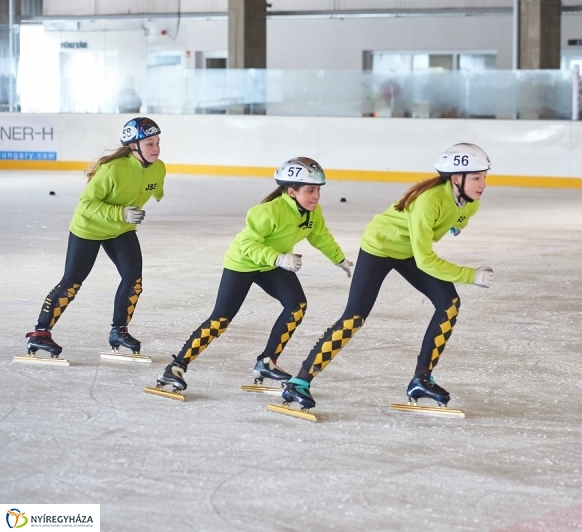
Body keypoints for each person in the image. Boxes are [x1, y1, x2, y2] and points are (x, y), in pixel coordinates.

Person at [278, 143, 495, 412]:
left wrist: (452, 226)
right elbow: (426, 260)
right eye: (476, 177)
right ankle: (299, 382)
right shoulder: (428, 201)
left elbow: (457, 220)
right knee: (354, 317)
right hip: (379, 247)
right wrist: (470, 275)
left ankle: (421, 379)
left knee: (449, 303)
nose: (483, 184)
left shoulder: (470, 202)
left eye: (484, 176)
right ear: (456, 178)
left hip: (408, 251)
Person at [151, 157, 353, 396]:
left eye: (318, 190)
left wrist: (340, 259)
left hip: (271, 263)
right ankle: (175, 367)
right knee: (220, 320)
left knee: (296, 306)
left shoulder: (311, 212)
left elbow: (320, 236)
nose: (316, 196)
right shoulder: (268, 212)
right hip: (243, 263)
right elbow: (247, 244)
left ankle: (267, 362)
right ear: (291, 191)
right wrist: (279, 259)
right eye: (310, 190)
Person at [23, 118, 165, 360]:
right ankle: (40, 333)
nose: (156, 148)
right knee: (72, 282)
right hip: (88, 228)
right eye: (149, 143)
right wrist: (121, 212)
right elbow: (87, 204)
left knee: (133, 279)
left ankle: (119, 331)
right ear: (133, 146)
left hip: (120, 230)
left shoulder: (159, 168)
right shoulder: (112, 169)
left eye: (157, 142)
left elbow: (154, 187)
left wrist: (153, 195)